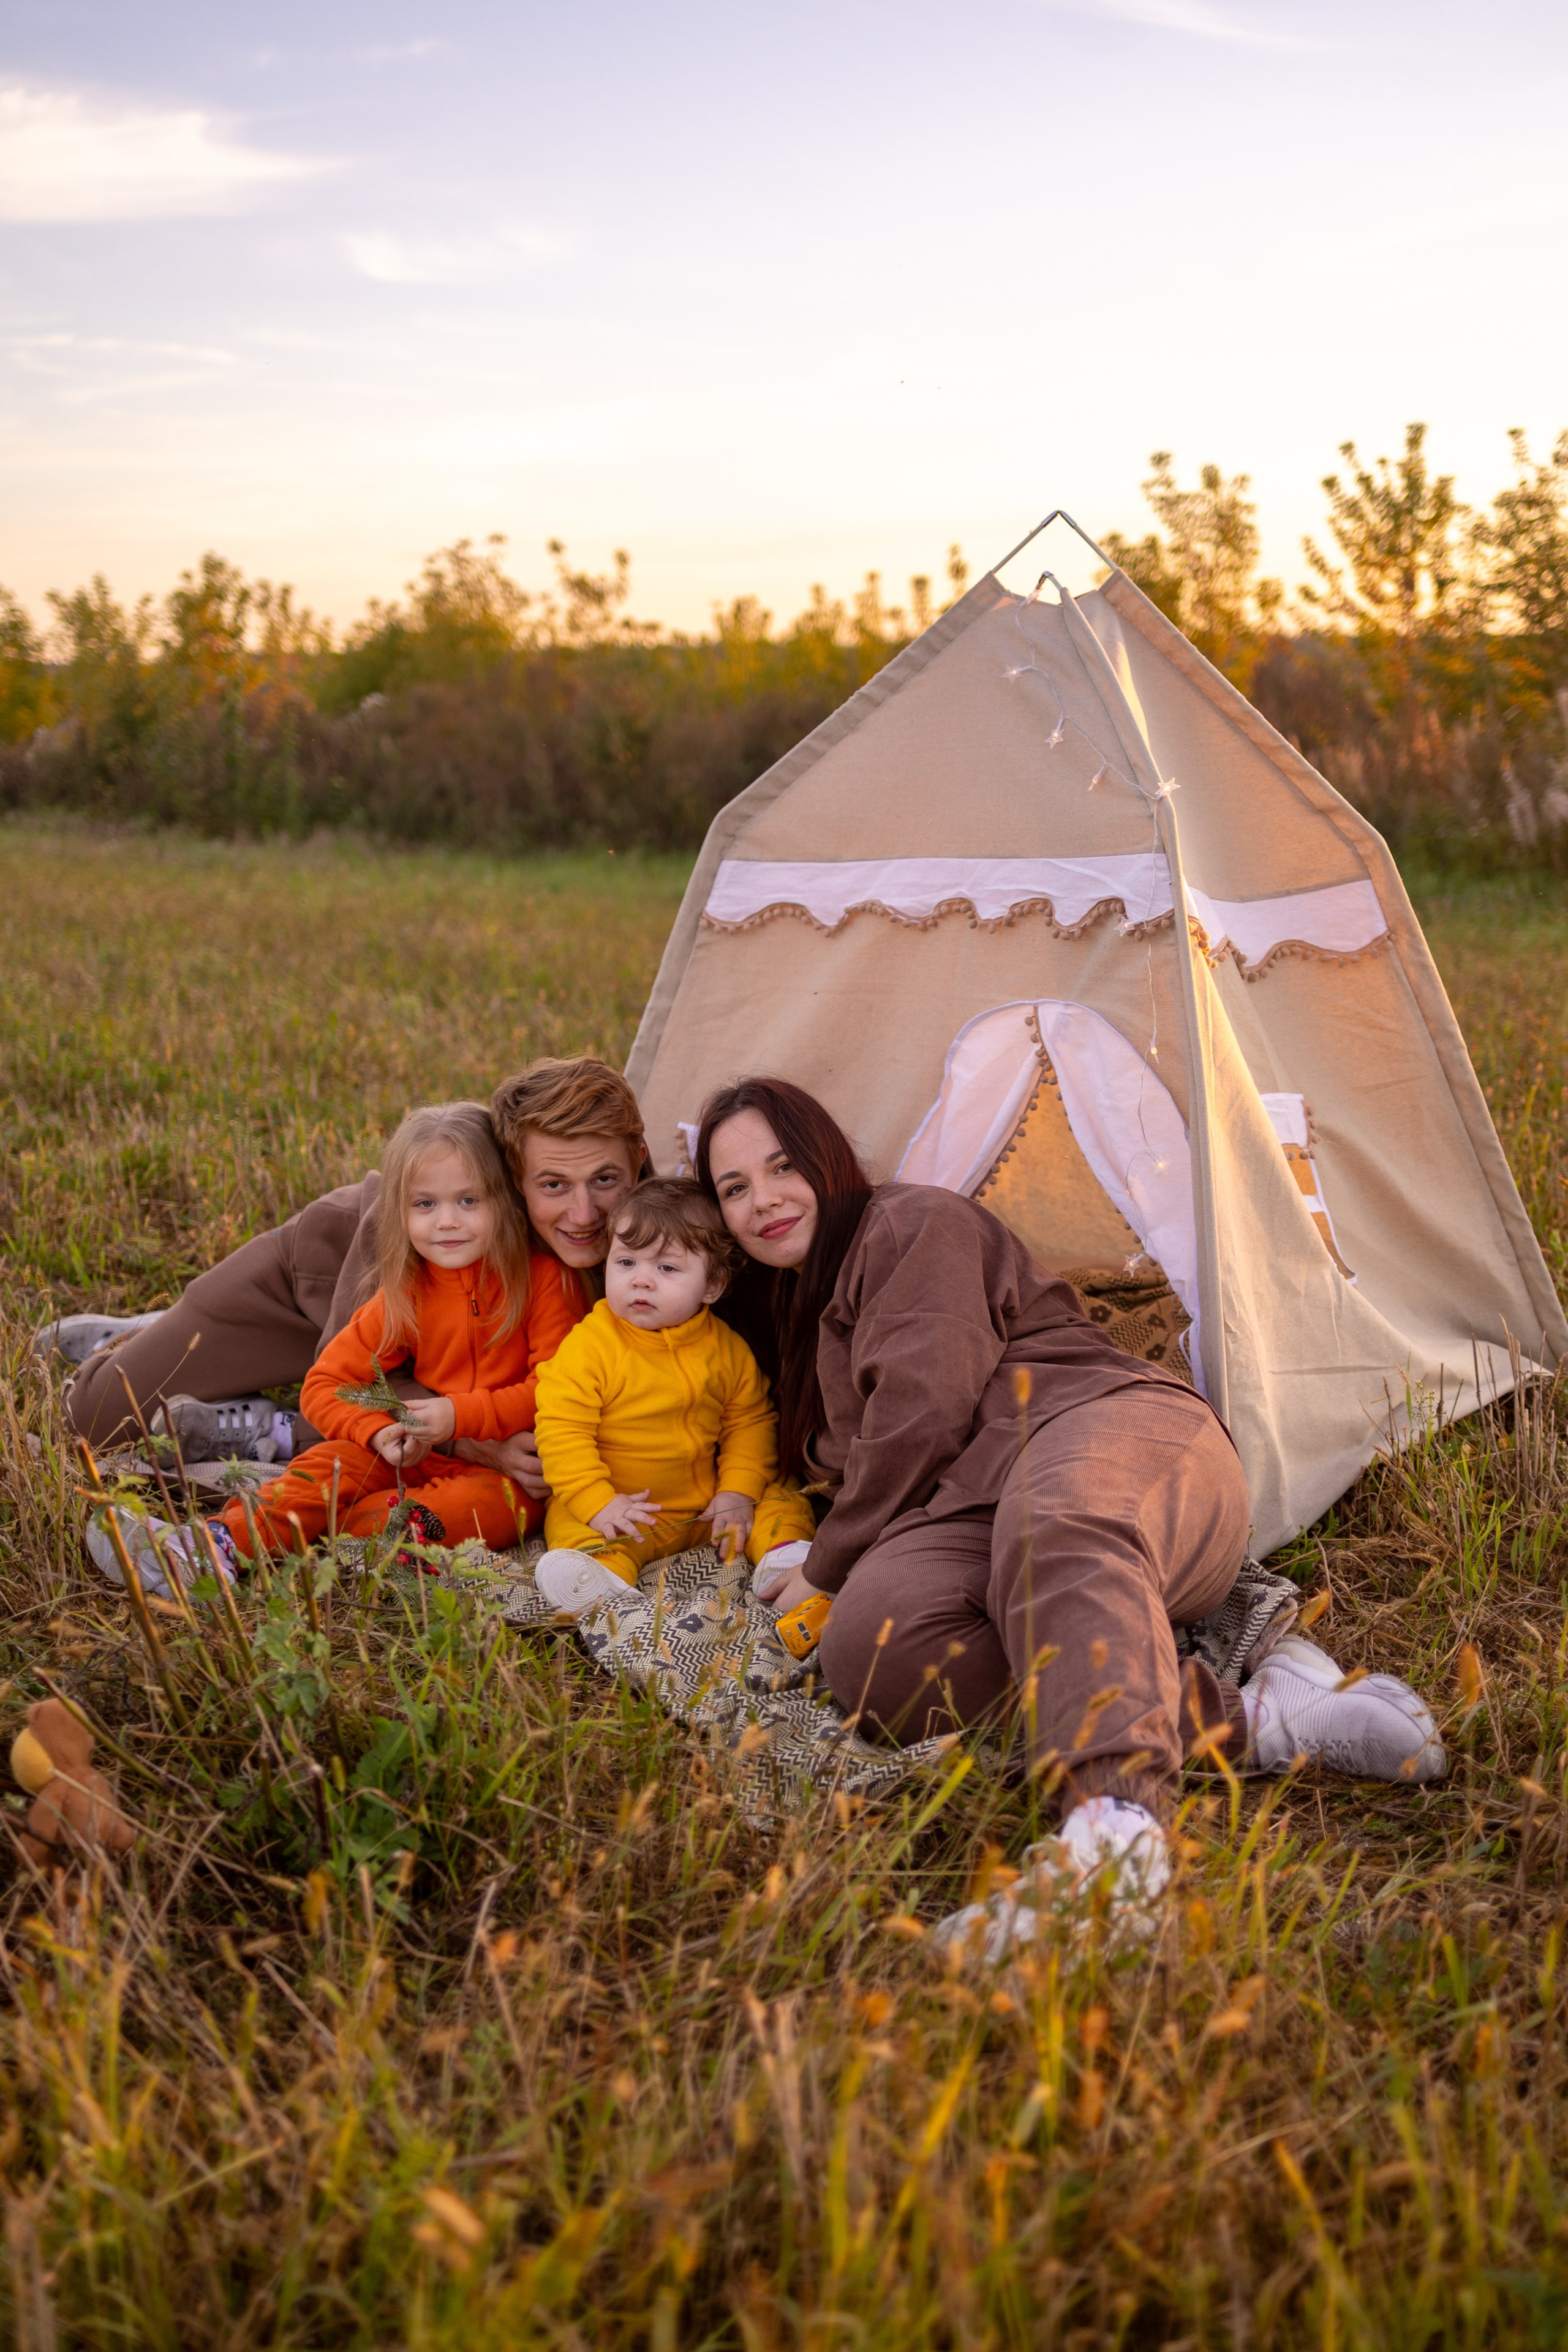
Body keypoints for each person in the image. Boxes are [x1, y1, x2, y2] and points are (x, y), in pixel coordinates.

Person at [695, 1076, 1446, 1959]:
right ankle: (1259, 1717)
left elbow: (924, 1404)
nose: (763, 1200)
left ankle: (1111, 1843)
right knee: (875, 1648)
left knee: (1054, 1522)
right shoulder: (794, 1313)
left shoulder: (905, 1225)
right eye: (733, 1188)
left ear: (826, 1158)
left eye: (781, 1167)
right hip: (962, 1508)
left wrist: (825, 1565)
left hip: (1097, 1427)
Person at [50, 1057, 650, 1514]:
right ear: (514, 1182)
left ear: (640, 1162)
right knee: (91, 1421)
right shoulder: (445, 1225)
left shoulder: (654, 1236)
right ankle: (152, 1333)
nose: (583, 1213)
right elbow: (355, 1377)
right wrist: (474, 1444)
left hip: (427, 1339)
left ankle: (263, 1415)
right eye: (553, 1186)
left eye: (604, 1180)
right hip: (327, 1278)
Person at [86, 1102, 582, 1588]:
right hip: (417, 1451)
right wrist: (376, 1432)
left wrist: (458, 1416)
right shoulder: (406, 1291)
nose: (447, 1222)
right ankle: (208, 1546)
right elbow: (327, 1383)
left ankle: (313, 1535)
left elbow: (551, 1387)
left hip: (512, 1479)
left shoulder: (542, 1282)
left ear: (507, 1201)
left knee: (422, 1522)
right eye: (425, 1204)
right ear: (399, 1212)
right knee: (327, 1467)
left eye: (469, 1201)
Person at [530, 1179, 816, 1613]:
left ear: (712, 1286)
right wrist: (597, 1501)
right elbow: (560, 1430)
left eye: (667, 1268)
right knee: (572, 1520)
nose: (641, 1280)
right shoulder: (591, 1346)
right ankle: (596, 1579)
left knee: (779, 1492)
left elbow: (750, 1422)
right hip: (626, 1510)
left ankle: (784, 1556)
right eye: (626, 1262)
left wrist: (738, 1490)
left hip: (710, 1508)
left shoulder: (725, 1348)